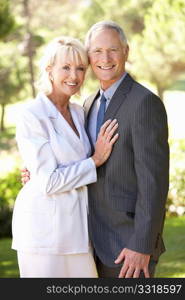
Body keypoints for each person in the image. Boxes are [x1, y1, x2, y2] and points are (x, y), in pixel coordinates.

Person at [21, 20, 169, 278]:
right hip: (88, 240)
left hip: (127, 244)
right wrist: (37, 175)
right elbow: (63, 165)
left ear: (126, 51)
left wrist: (142, 244)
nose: (105, 58)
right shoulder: (87, 106)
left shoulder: (144, 103)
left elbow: (154, 182)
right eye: (97, 51)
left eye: (113, 50)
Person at [12, 35, 119, 278]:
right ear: (49, 70)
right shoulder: (32, 115)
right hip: (43, 235)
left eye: (80, 68)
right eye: (66, 68)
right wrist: (95, 161)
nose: (74, 76)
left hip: (79, 232)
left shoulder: (79, 112)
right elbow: (48, 182)